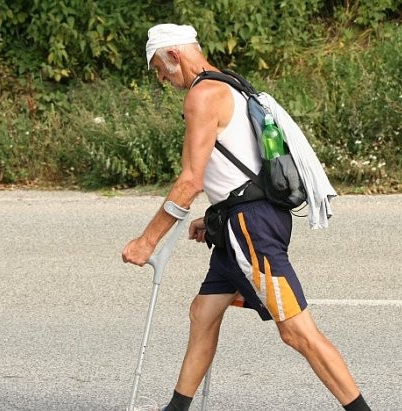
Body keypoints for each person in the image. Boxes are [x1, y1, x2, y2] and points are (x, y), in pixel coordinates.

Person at [122, 23, 371, 411]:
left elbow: (190, 181)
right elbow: (243, 167)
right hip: (244, 220)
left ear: (174, 55)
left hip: (249, 229)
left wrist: (147, 241)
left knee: (297, 332)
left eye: (158, 68)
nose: (161, 79)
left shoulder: (202, 95)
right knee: (203, 311)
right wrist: (217, 214)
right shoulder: (231, 85)